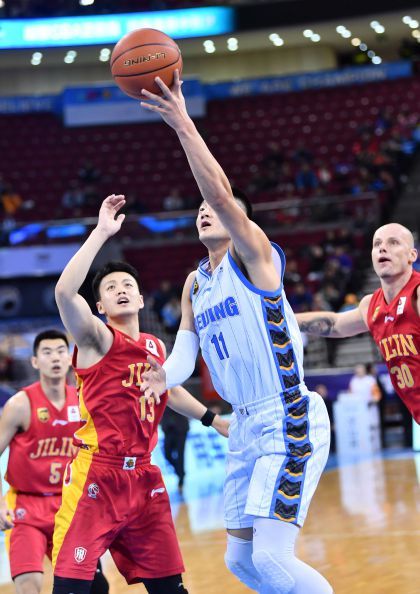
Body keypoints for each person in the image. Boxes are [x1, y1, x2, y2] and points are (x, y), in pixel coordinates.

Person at [139, 72, 333, 594]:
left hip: (286, 415)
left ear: (241, 221)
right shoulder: (194, 284)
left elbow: (221, 195)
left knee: (271, 556)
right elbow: (186, 351)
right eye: (200, 209)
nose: (206, 210)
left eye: (216, 208)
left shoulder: (253, 258)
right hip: (243, 424)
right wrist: (163, 377)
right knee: (240, 560)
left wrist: (182, 124)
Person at [52, 194, 228, 594]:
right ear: (99, 305)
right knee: (73, 588)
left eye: (128, 284)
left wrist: (213, 419)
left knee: (170, 588)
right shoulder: (97, 338)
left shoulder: (154, 346)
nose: (121, 290)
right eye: (111, 287)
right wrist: (101, 232)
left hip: (145, 476)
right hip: (98, 474)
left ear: (142, 298)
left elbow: (170, 391)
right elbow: (64, 293)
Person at [0, 329, 109, 594]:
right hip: (26, 508)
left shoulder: (83, 401)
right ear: (35, 361)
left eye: (61, 351)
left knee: (96, 587)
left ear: (70, 359)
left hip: (71, 505)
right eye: (47, 353)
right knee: (29, 585)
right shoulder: (20, 404)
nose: (55, 358)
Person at [295, 222, 420, 426]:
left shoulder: (417, 294)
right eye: (377, 244)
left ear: (412, 255)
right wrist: (284, 320)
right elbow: (335, 324)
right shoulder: (371, 305)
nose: (383, 248)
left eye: (393, 242)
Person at [160, 407, 189, 494]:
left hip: (180, 428)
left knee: (180, 455)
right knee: (167, 454)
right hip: (168, 429)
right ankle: (180, 472)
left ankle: (181, 480)